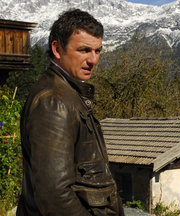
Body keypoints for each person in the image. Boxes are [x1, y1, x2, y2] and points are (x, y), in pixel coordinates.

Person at [17, 9, 124, 215]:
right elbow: (53, 195)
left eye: (98, 51)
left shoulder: (69, 93)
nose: (93, 60)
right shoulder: (54, 102)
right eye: (84, 50)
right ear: (57, 49)